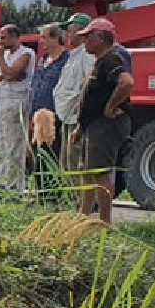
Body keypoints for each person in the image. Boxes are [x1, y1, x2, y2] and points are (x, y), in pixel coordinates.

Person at [71, 18, 133, 224]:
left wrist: (111, 107)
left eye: (88, 37)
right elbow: (92, 101)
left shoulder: (111, 59)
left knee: (100, 171)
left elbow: (126, 82)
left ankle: (105, 223)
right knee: (86, 170)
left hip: (105, 126)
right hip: (93, 125)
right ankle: (84, 216)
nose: (85, 41)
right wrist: (81, 127)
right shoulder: (100, 62)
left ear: (100, 38)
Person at [0, 24, 34, 197]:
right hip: (0, 103)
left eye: (4, 37)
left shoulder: (26, 53)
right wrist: (7, 73)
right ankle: (0, 187)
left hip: (16, 102)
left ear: (15, 36)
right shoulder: (6, 55)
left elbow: (12, 73)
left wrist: (2, 62)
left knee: (13, 147)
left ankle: (14, 190)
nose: (0, 41)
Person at [52, 13, 95, 178]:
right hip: (67, 114)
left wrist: (81, 111)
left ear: (81, 31)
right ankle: (73, 199)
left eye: (69, 30)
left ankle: (81, 201)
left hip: (77, 115)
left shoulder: (87, 54)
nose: (67, 35)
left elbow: (88, 82)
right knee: (66, 161)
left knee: (75, 160)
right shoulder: (73, 54)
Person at [28, 23, 70, 192]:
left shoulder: (66, 60)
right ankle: (41, 193)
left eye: (44, 37)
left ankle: (54, 194)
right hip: (38, 115)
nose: (41, 41)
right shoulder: (42, 61)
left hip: (55, 116)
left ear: (56, 39)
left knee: (53, 155)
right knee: (38, 155)